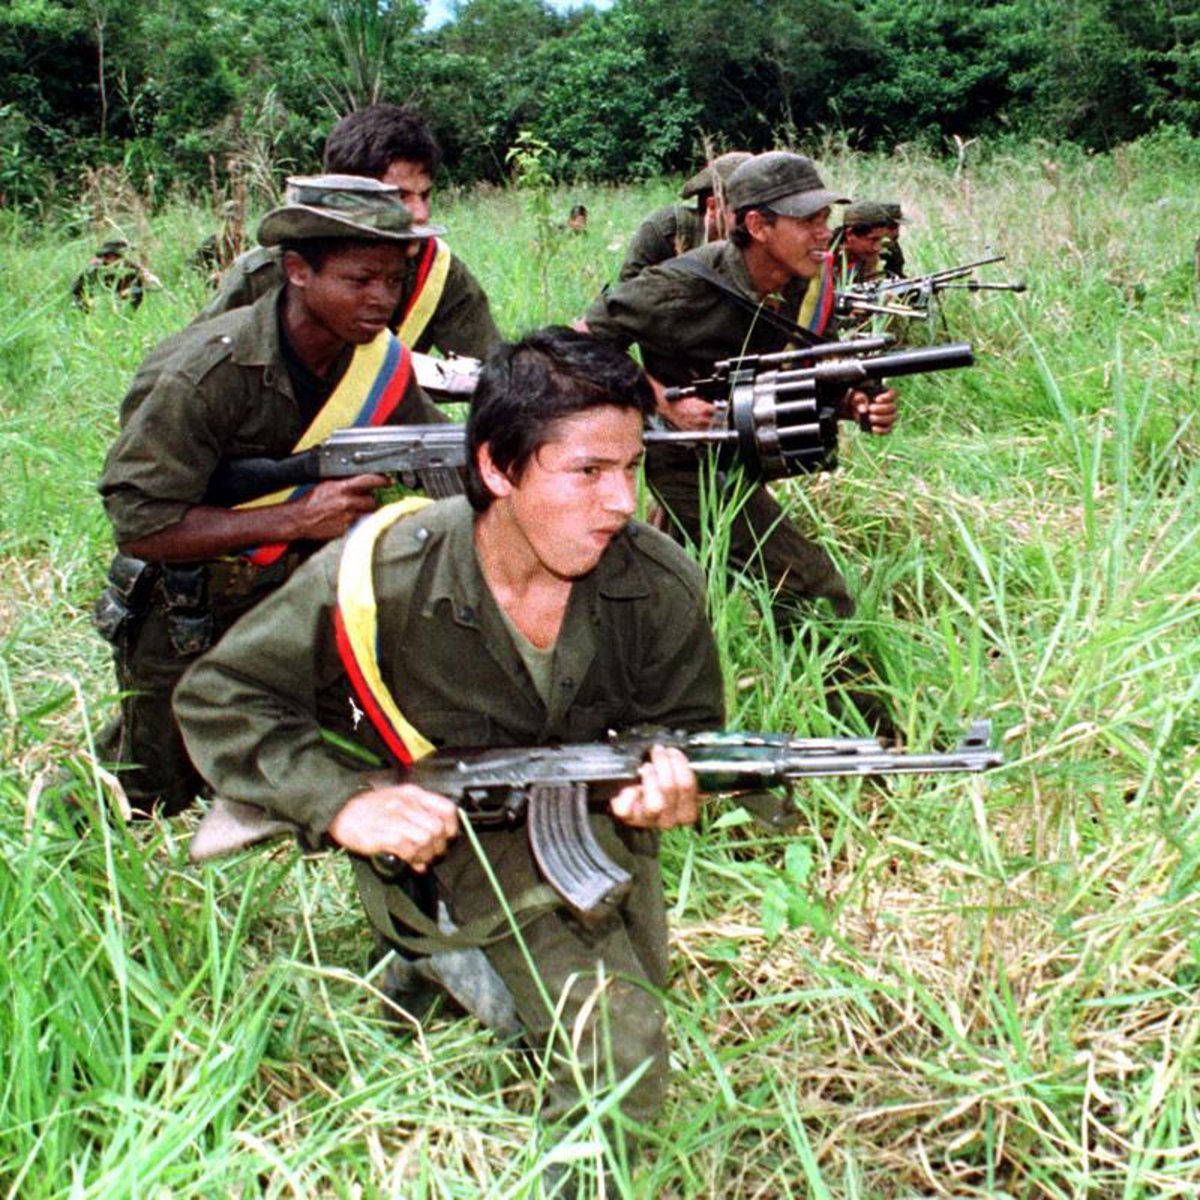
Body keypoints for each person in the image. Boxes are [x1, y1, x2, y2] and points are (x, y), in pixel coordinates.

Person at [173, 327, 725, 1181]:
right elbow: (220, 696)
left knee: (630, 993)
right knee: (619, 1048)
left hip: (576, 820)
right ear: (498, 468)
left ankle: (441, 967)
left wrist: (674, 786)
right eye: (587, 472)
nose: (621, 502)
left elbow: (684, 728)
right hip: (433, 821)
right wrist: (345, 803)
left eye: (632, 467)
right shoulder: (384, 574)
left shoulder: (655, 582)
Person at [94, 177, 448, 816]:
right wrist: (299, 518)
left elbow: (435, 448)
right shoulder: (205, 372)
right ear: (298, 271)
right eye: (361, 280)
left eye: (394, 281)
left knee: (340, 756)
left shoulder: (374, 361)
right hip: (188, 611)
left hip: (298, 600)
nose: (382, 299)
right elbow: (141, 524)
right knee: (147, 792)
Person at [582, 153, 897, 723]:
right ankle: (871, 733)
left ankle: (621, 713)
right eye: (807, 221)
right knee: (809, 585)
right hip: (687, 462)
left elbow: (814, 367)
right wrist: (661, 400)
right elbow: (580, 340)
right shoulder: (681, 286)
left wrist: (855, 402)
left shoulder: (810, 284)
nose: (822, 233)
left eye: (824, 219)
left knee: (667, 591)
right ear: (757, 225)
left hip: (749, 450)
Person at [196, 105, 500, 360]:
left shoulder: (438, 272)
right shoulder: (264, 273)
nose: (420, 215)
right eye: (400, 197)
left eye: (425, 195)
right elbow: (195, 367)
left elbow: (491, 373)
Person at [617, 150, 750, 282]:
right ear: (713, 206)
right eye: (744, 211)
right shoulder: (664, 231)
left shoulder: (753, 242)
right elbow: (627, 287)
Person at [72, 239, 161, 311]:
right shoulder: (93, 271)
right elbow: (78, 296)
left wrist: (146, 278)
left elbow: (156, 286)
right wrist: (117, 296)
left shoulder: (130, 268)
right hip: (97, 308)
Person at [828, 200, 893, 286]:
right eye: (873, 239)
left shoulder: (871, 256)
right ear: (849, 234)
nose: (877, 248)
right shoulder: (824, 255)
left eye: (880, 239)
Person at [880, 201, 907, 277]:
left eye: (897, 227)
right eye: (891, 227)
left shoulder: (893, 247)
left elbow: (897, 272)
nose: (896, 233)